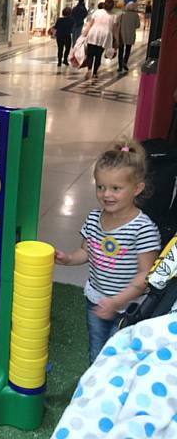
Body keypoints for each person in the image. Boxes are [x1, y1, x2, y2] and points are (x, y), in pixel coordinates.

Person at [55, 139, 160, 363]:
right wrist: (68, 258)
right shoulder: (94, 218)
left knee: (119, 357)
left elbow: (146, 275)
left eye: (116, 188)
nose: (106, 194)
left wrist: (117, 301)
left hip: (130, 307)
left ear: (137, 188)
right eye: (100, 187)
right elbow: (86, 252)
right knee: (96, 349)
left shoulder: (143, 228)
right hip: (96, 299)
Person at [83, 0, 117, 79]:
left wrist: (85, 33)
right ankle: (95, 73)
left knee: (90, 54)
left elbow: (90, 24)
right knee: (98, 55)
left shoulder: (97, 12)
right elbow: (114, 29)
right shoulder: (114, 16)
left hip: (93, 33)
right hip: (105, 36)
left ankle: (89, 69)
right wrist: (116, 41)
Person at [116, 2, 141, 72]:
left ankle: (120, 66)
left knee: (120, 51)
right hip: (131, 35)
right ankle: (125, 63)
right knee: (128, 50)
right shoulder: (136, 15)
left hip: (121, 34)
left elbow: (117, 23)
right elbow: (138, 25)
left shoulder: (122, 14)